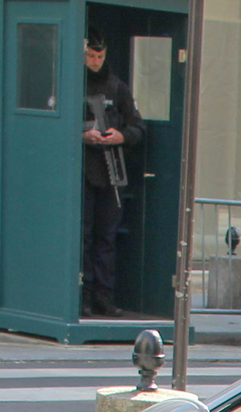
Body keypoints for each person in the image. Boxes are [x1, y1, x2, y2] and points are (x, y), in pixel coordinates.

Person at [81, 32, 145, 319]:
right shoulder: (73, 82)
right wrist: (83, 135)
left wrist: (121, 136)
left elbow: (138, 127)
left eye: (100, 57)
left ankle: (103, 297)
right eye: (90, 56)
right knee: (82, 237)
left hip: (111, 172)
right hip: (82, 172)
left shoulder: (117, 88)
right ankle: (82, 296)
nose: (95, 62)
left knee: (106, 238)